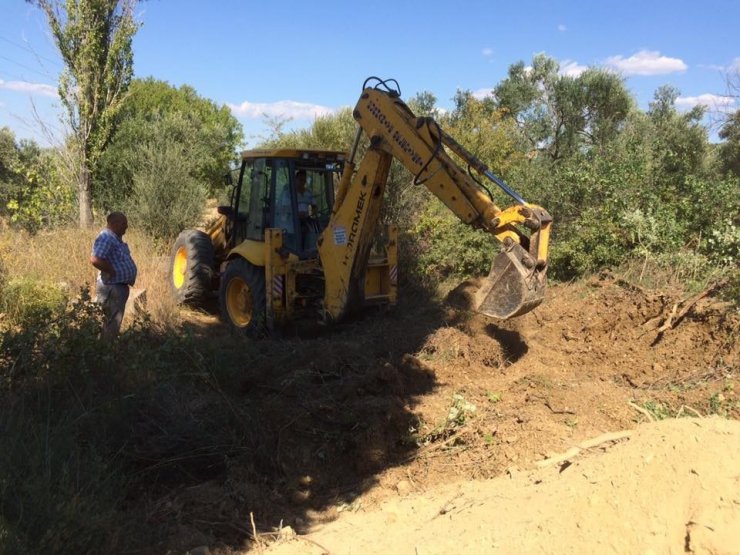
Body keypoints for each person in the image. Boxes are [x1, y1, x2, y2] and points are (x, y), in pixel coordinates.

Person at [90, 212, 137, 338]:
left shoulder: (114, 238)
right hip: (112, 287)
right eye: (124, 223)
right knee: (110, 324)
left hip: (116, 287)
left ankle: (106, 349)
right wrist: (112, 272)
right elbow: (95, 259)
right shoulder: (106, 237)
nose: (126, 226)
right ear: (114, 224)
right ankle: (106, 352)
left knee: (110, 323)